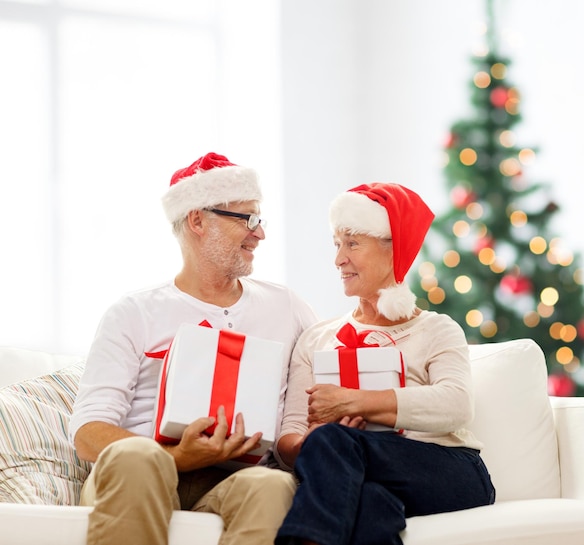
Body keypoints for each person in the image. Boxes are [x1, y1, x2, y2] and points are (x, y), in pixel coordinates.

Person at [68, 151, 318, 545]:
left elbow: (322, 371)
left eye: (260, 220)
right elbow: (88, 434)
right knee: (138, 459)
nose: (260, 233)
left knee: (271, 486)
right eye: (247, 219)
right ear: (197, 220)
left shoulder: (285, 306)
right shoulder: (134, 312)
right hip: (143, 472)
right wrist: (176, 457)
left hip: (231, 481)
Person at [273, 182, 496, 545]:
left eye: (353, 243)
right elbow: (289, 435)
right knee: (371, 502)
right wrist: (307, 445)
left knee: (336, 442)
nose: (338, 259)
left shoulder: (436, 328)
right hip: (358, 471)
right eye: (336, 244)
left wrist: (355, 403)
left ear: (395, 250)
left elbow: (457, 405)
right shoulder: (317, 338)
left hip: (450, 471)